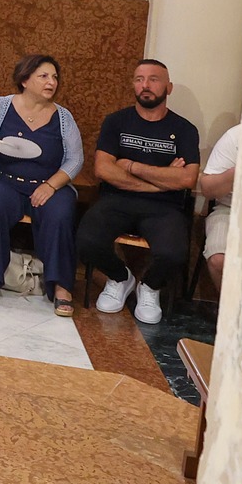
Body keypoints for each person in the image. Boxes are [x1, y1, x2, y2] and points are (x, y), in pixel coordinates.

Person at [0, 54, 82, 313]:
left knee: (61, 213)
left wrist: (51, 185)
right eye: (43, 76)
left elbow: (75, 160)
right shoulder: (1, 106)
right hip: (3, 181)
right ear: (25, 79)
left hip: (47, 185)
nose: (51, 82)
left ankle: (61, 286)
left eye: (54, 77)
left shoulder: (64, 117)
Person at [80, 59, 200, 325]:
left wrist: (131, 166)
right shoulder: (116, 122)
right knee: (86, 240)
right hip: (116, 200)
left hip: (165, 208)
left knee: (174, 253)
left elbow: (188, 178)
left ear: (168, 88)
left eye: (154, 79)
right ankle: (121, 278)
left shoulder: (184, 130)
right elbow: (103, 169)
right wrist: (163, 178)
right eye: (139, 79)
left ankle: (149, 286)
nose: (145, 85)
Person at [199, 121, 241, 289]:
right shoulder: (237, 136)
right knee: (219, 259)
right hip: (231, 209)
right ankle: (231, 313)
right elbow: (208, 190)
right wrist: (237, 172)